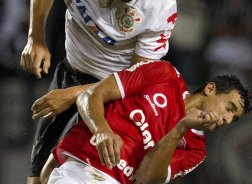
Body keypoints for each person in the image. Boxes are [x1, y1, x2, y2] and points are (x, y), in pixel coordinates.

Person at [20, 0, 178, 183]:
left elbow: (136, 79)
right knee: (36, 178)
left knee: (64, 172)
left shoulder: (160, 7)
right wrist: (36, 38)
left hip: (111, 96)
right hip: (69, 74)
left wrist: (73, 95)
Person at [40, 61, 251, 184]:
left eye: (233, 119)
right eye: (229, 108)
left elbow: (144, 179)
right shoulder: (164, 75)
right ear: (210, 89)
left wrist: (181, 128)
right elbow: (91, 95)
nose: (227, 119)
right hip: (80, 167)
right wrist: (102, 129)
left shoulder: (196, 150)